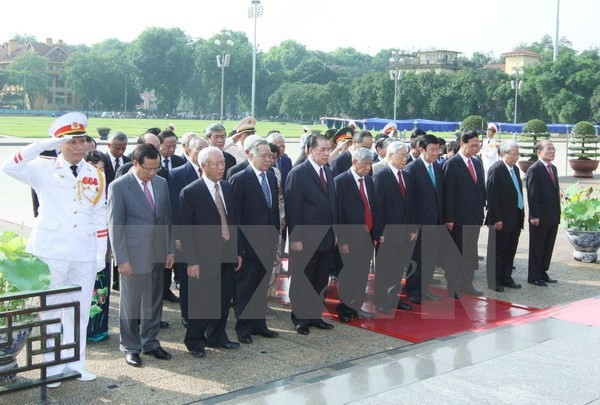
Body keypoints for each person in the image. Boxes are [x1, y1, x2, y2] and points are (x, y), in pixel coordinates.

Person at [2, 112, 107, 387]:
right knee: (50, 312)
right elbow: (9, 166)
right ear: (59, 144)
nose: (78, 147)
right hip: (51, 252)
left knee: (79, 310)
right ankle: (49, 365)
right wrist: (41, 144)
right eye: (71, 142)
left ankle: (76, 362)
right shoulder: (43, 167)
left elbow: (99, 215)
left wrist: (100, 253)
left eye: (81, 141)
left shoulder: (95, 174)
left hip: (83, 252)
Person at [108, 143, 175, 368]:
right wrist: (121, 259)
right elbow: (115, 226)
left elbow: (166, 219)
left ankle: (150, 341)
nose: (153, 173)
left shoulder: (161, 183)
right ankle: (130, 347)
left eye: (156, 168)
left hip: (157, 253)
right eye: (149, 169)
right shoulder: (119, 186)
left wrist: (169, 249)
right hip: (133, 256)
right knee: (131, 304)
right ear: (135, 163)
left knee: (154, 301)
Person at [180, 147, 241, 358]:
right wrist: (191, 261)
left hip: (226, 252)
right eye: (216, 164)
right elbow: (186, 231)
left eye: (223, 163)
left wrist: (237, 251)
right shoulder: (190, 192)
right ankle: (195, 340)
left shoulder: (228, 187)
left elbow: (234, 222)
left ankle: (217, 335)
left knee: (224, 298)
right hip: (203, 256)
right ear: (203, 166)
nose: (221, 167)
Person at [285, 134, 337, 335]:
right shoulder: (298, 173)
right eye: (321, 149)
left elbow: (332, 204)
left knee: (320, 278)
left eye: (328, 149)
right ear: (309, 150)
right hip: (305, 238)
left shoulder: (328, 172)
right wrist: (295, 238)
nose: (326, 153)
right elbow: (293, 209)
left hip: (327, 236)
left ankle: (315, 314)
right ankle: (300, 317)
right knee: (302, 279)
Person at [230, 139, 280, 343]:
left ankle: (259, 324)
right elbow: (235, 216)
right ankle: (243, 328)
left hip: (268, 243)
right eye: (264, 156)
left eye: (270, 156)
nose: (269, 160)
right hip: (248, 245)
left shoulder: (271, 177)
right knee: (246, 287)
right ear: (250, 155)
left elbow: (273, 210)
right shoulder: (239, 179)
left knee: (261, 286)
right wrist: (238, 248)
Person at [334, 147, 382, 321]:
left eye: (370, 164)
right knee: (348, 275)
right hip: (349, 239)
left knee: (362, 274)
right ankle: (345, 309)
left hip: (367, 237)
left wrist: (376, 234)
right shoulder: (340, 182)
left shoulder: (368, 181)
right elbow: (337, 214)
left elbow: (374, 208)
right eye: (365, 164)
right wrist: (342, 241)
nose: (368, 168)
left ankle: (357, 306)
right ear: (354, 162)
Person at [168, 136, 209, 328]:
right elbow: (174, 208)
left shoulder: (212, 171)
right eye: (198, 148)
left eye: (204, 148)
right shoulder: (176, 174)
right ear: (187, 150)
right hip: (186, 235)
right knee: (187, 278)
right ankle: (187, 314)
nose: (201, 151)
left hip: (207, 237)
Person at [442, 131, 486, 298]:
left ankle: (467, 283)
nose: (475, 148)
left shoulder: (477, 162)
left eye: (477, 145)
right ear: (462, 143)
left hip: (474, 216)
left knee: (470, 252)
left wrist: (482, 207)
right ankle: (453, 285)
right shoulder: (452, 164)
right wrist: (450, 218)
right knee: (456, 253)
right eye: (472, 145)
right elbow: (448, 194)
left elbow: (480, 187)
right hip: (458, 218)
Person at [372, 142, 415, 313]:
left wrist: (413, 229)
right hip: (387, 232)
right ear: (390, 156)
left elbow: (411, 205)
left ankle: (394, 298)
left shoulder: (407, 176)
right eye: (401, 156)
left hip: (404, 231)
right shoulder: (381, 177)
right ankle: (381, 300)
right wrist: (379, 232)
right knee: (384, 268)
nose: (405, 159)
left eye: (406, 156)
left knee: (398, 268)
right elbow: (377, 208)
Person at [403, 134, 444, 304]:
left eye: (438, 150)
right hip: (419, 224)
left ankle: (424, 288)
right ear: (421, 150)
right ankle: (413, 291)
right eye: (432, 150)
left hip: (435, 223)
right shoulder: (411, 169)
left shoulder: (438, 168)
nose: (436, 153)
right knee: (417, 259)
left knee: (430, 259)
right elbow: (409, 202)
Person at [485, 141, 524, 292]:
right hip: (501, 219)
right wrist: (496, 218)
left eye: (517, 154)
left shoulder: (515, 169)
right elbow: (492, 197)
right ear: (503, 154)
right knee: (497, 251)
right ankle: (494, 280)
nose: (516, 157)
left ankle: (506, 277)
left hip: (515, 216)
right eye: (512, 154)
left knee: (510, 249)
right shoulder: (497, 170)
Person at [526, 140, 560, 286]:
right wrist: (534, 215)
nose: (552, 151)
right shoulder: (534, 169)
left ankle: (543, 271)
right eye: (549, 149)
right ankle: (534, 276)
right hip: (539, 217)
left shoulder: (554, 168)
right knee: (537, 246)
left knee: (548, 245)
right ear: (539, 152)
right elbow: (532, 194)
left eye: (553, 148)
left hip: (553, 215)